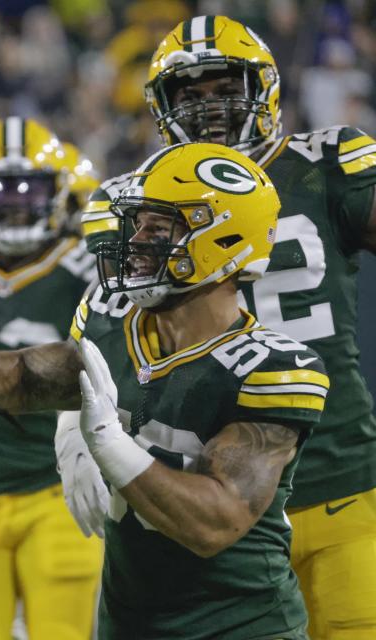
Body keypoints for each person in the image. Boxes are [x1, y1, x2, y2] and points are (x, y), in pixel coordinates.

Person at [80, 16, 376, 638]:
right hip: (201, 493)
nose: (208, 107)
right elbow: (104, 319)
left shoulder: (325, 163)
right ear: (162, 106)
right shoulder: (129, 199)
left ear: (262, 88)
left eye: (224, 88)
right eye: (189, 93)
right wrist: (69, 424)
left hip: (335, 478)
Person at [0, 142, 329, 638]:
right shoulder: (111, 317)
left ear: (223, 240)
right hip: (130, 625)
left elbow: (215, 523)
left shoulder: (270, 367)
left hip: (240, 627)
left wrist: (113, 447)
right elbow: (26, 378)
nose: (137, 242)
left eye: (159, 228)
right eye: (137, 224)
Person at [0, 117, 101, 640]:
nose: (14, 201)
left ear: (58, 190)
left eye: (30, 187)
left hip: (55, 491)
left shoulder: (87, 269)